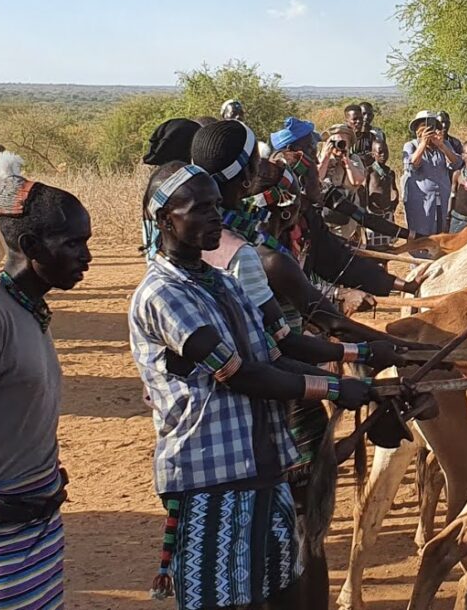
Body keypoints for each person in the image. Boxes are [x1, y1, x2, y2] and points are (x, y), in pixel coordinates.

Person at [130, 163, 380, 610]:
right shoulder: (163, 294)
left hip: (263, 468)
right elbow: (240, 373)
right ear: (165, 219)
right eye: (200, 209)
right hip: (209, 480)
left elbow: (278, 351)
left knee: (283, 594)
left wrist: (361, 355)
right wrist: (334, 389)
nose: (215, 217)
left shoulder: (225, 285)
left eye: (216, 206)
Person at [0, 178, 92, 610]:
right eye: (73, 244)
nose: (86, 257)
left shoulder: (28, 309)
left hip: (36, 533)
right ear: (31, 246)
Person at [403, 110, 461, 235]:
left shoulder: (444, 144)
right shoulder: (411, 145)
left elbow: (456, 163)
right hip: (421, 201)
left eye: (431, 126)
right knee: (420, 234)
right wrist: (423, 144)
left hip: (442, 199)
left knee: (441, 232)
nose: (428, 130)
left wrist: (441, 146)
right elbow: (411, 166)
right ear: (418, 130)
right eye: (424, 126)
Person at [365, 138, 400, 248]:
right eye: (380, 152)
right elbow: (364, 191)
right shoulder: (369, 171)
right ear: (373, 154)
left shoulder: (390, 172)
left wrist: (395, 202)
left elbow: (394, 188)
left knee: (386, 244)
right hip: (372, 212)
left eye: (385, 151)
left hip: (387, 211)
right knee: (371, 244)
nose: (383, 155)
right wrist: (365, 208)